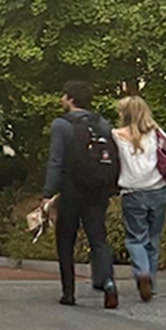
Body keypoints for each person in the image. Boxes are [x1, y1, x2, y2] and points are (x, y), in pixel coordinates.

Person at [40, 81, 119, 308]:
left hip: (71, 189)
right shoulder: (102, 123)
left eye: (64, 96)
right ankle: (109, 283)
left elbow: (57, 161)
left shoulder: (61, 125)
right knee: (98, 238)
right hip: (98, 189)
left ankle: (69, 292)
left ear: (71, 98)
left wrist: (48, 193)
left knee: (65, 239)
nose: (62, 100)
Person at [113, 96, 166, 303]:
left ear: (124, 114)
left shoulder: (116, 136)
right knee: (153, 238)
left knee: (136, 238)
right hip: (158, 190)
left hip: (132, 192)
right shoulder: (156, 133)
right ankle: (151, 282)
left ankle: (142, 272)